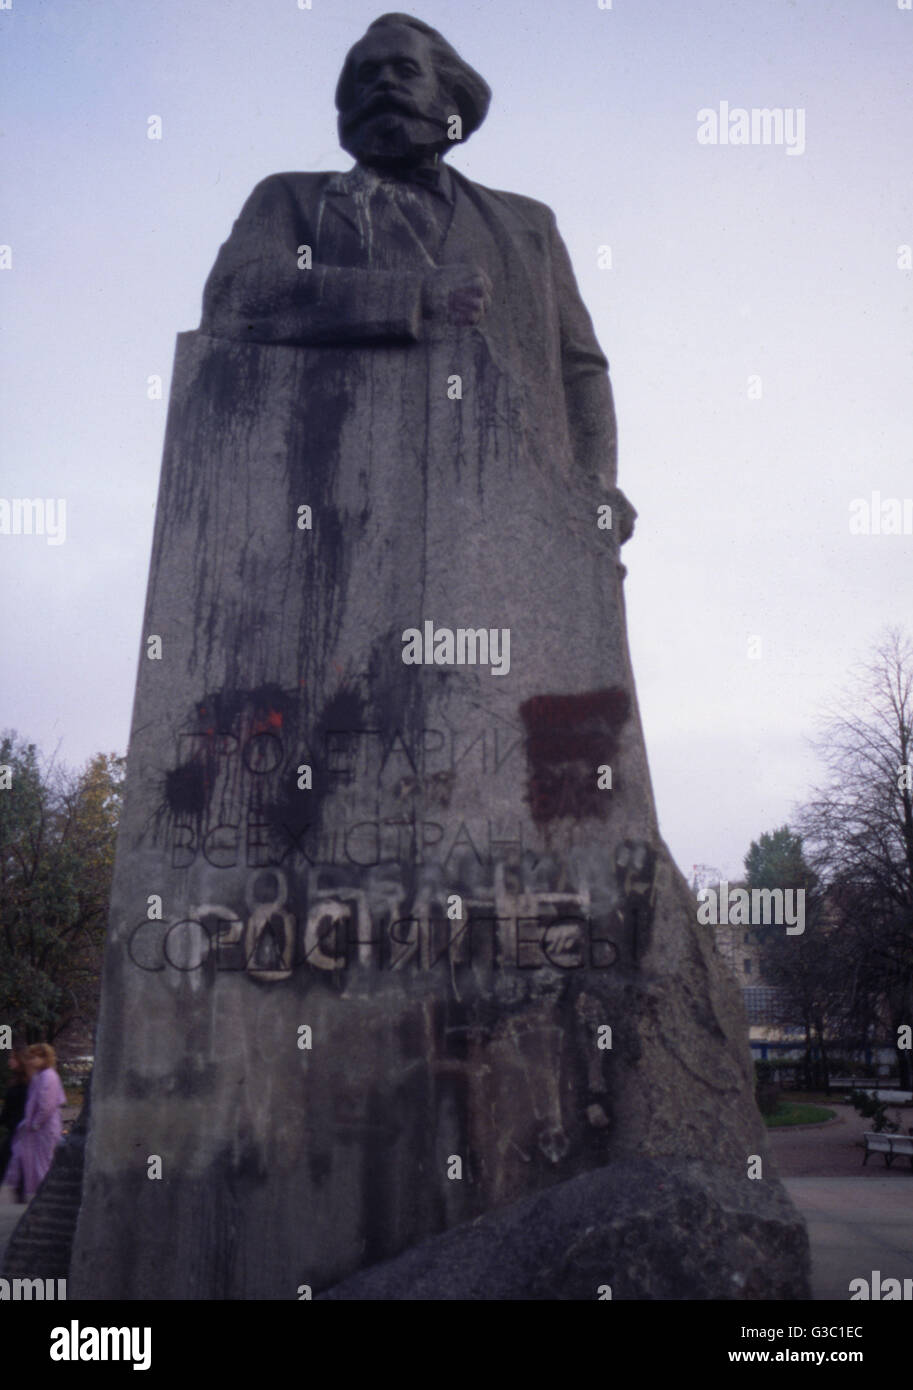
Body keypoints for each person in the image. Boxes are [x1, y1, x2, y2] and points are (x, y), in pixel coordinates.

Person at [200, 11, 635, 541]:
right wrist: (412, 296)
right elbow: (235, 297)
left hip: (518, 521)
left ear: (449, 100)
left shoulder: (529, 225)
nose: (383, 82)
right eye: (366, 74)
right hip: (342, 509)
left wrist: (595, 486)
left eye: (404, 70)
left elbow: (581, 368)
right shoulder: (292, 197)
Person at [0, 1043, 66, 1204]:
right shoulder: (41, 1076)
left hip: (43, 1128)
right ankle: (35, 1194)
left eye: (35, 1057)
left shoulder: (47, 1077)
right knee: (33, 1162)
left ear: (45, 1058)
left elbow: (46, 1105)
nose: (31, 1061)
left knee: (42, 1162)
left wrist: (35, 1123)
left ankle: (43, 1195)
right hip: (36, 1127)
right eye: (30, 1057)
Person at [0, 1047, 30, 1182]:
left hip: (18, 1128)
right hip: (15, 1126)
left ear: (20, 1061)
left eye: (12, 1058)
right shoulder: (17, 1081)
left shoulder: (25, 1084)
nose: (9, 1062)